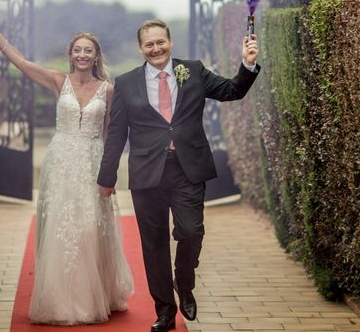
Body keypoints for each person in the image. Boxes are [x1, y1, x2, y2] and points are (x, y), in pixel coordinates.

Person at [97, 19, 259, 332]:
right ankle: (165, 311)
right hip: (147, 174)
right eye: (149, 44)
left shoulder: (193, 71)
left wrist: (247, 65)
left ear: (170, 42)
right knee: (153, 244)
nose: (155, 49)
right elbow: (116, 133)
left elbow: (232, 91)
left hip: (188, 168)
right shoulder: (127, 83)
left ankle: (184, 282)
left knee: (191, 231)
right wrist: (107, 176)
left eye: (161, 42)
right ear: (141, 48)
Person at [0, 17, 134, 325]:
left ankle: (95, 294)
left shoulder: (109, 91)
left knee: (90, 227)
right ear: (70, 54)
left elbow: (111, 134)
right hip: (61, 161)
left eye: (87, 50)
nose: (81, 55)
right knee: (61, 229)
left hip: (91, 160)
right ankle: (62, 300)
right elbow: (22, 63)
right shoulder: (57, 81)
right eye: (77, 49)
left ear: (96, 56)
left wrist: (109, 173)